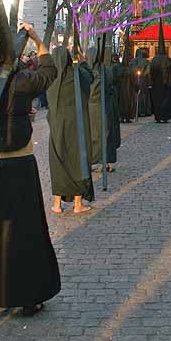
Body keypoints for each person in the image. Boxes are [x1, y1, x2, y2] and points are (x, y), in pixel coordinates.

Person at [0, 22, 60, 316]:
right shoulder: (15, 81)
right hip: (17, 164)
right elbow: (49, 72)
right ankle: (28, 294)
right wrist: (36, 40)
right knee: (24, 232)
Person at [47, 46, 94, 215]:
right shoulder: (76, 76)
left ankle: (57, 203)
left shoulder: (50, 78)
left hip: (57, 126)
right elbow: (90, 76)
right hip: (76, 125)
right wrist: (81, 59)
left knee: (59, 161)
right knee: (76, 160)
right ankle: (77, 203)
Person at [86, 43, 118, 172]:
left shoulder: (90, 71)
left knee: (101, 134)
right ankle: (102, 161)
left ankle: (103, 161)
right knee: (101, 134)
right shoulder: (104, 70)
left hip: (97, 106)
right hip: (100, 106)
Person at [150, 22, 171, 123]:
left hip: (156, 85)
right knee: (165, 100)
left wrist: (151, 82)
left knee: (157, 101)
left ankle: (158, 117)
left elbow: (151, 71)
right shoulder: (168, 59)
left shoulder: (155, 59)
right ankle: (165, 117)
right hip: (165, 84)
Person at [130, 48, 152, 117]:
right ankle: (144, 111)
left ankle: (135, 111)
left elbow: (130, 71)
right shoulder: (146, 61)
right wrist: (148, 80)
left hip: (134, 79)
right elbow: (148, 72)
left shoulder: (132, 61)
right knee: (143, 95)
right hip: (143, 80)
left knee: (135, 95)